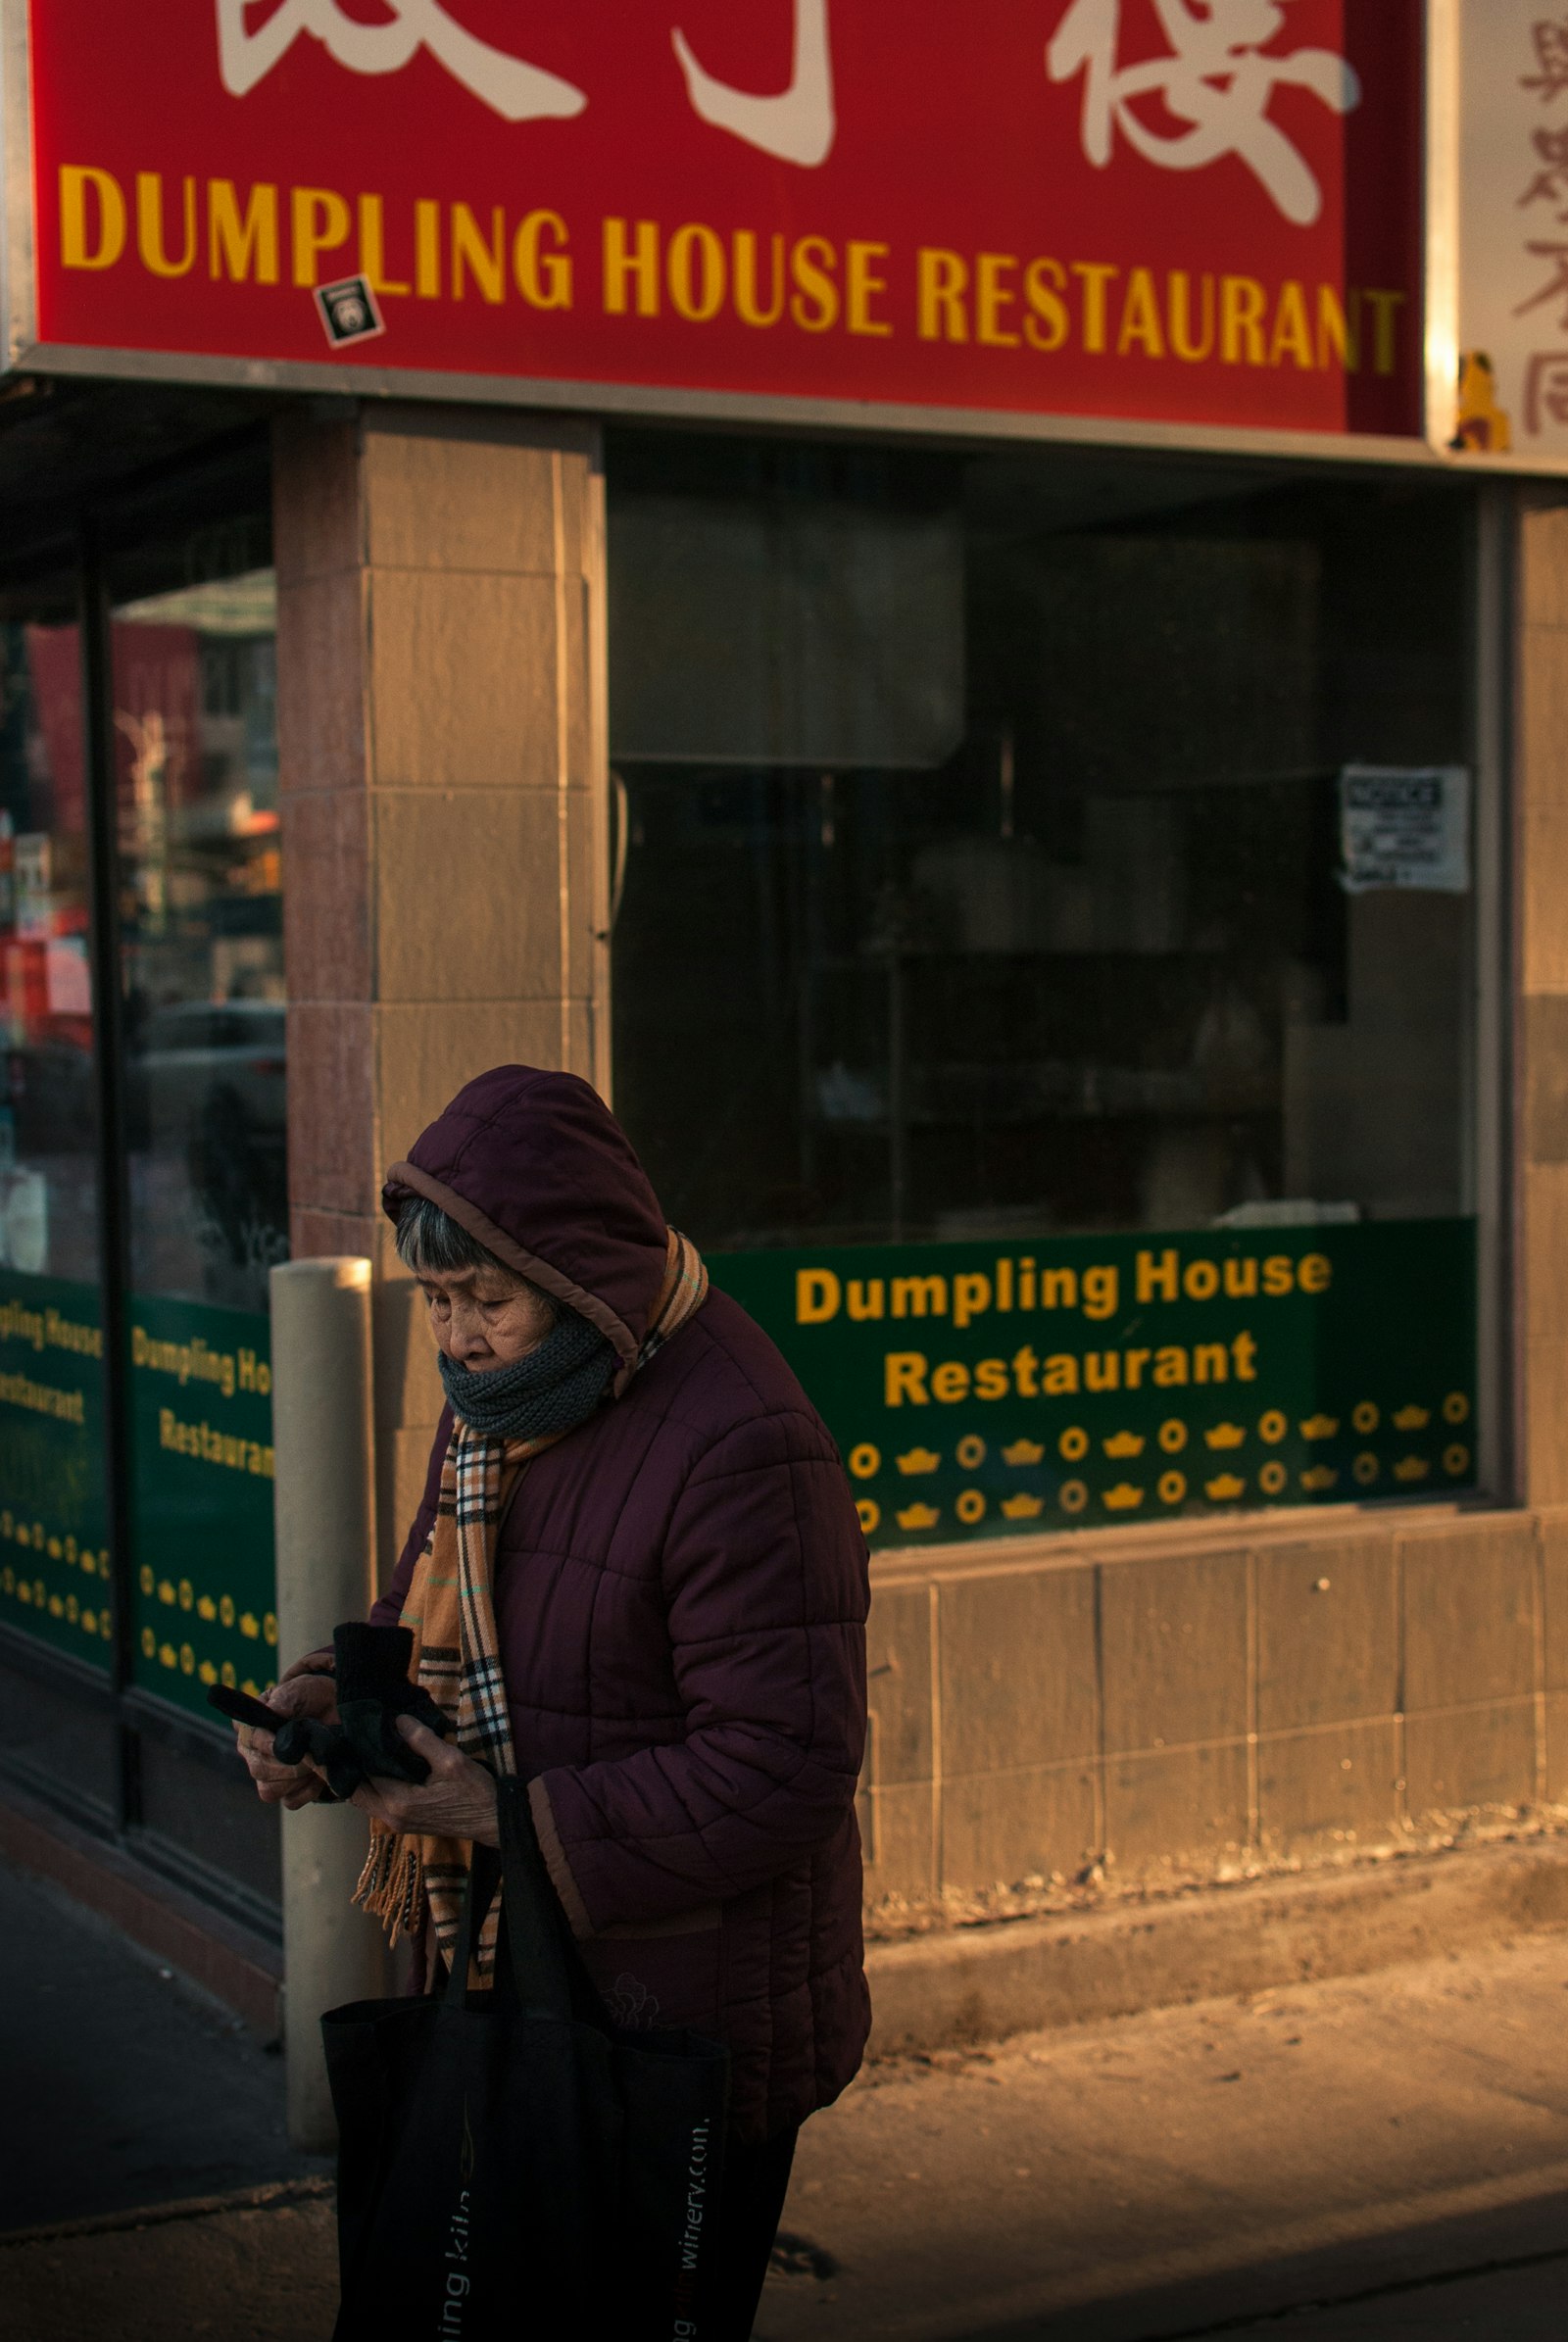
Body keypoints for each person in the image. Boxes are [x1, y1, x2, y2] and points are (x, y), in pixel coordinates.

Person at [235, 1063, 871, 2337]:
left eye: (489, 1298)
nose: (457, 1336)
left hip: (676, 2022)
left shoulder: (741, 1435)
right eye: (436, 1298)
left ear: (584, 1279)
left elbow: (787, 1759)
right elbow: (435, 1597)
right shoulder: (503, 1405)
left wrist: (508, 1816)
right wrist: (329, 1702)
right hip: (518, 1987)